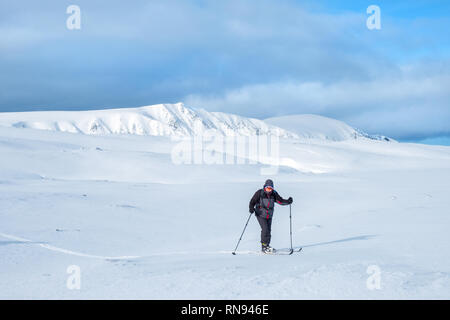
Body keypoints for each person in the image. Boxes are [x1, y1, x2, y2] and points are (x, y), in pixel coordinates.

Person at [249, 179, 293, 253]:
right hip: (260, 214)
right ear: (265, 187)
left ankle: (267, 246)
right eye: (267, 188)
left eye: (270, 188)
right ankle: (264, 247)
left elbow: (280, 201)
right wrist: (251, 208)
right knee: (265, 229)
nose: (269, 190)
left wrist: (288, 201)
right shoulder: (259, 193)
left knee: (268, 231)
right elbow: (252, 201)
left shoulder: (274, 194)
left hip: (269, 215)